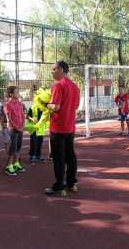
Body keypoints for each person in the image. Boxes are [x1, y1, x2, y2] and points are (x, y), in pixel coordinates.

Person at [45, 61, 80, 197]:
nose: (52, 72)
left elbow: (56, 106)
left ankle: (59, 186)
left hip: (58, 127)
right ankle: (71, 183)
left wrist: (46, 104)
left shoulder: (58, 85)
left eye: (53, 69)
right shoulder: (75, 86)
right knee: (70, 156)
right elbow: (76, 106)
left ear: (60, 69)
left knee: (58, 158)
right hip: (70, 127)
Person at [4, 86, 25, 176]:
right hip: (13, 129)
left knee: (18, 147)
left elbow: (23, 115)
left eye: (18, 92)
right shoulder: (7, 105)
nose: (18, 93)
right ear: (11, 94)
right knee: (13, 148)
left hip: (20, 129)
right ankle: (9, 166)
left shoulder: (20, 104)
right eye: (16, 92)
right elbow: (9, 119)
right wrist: (17, 127)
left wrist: (23, 126)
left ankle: (16, 163)